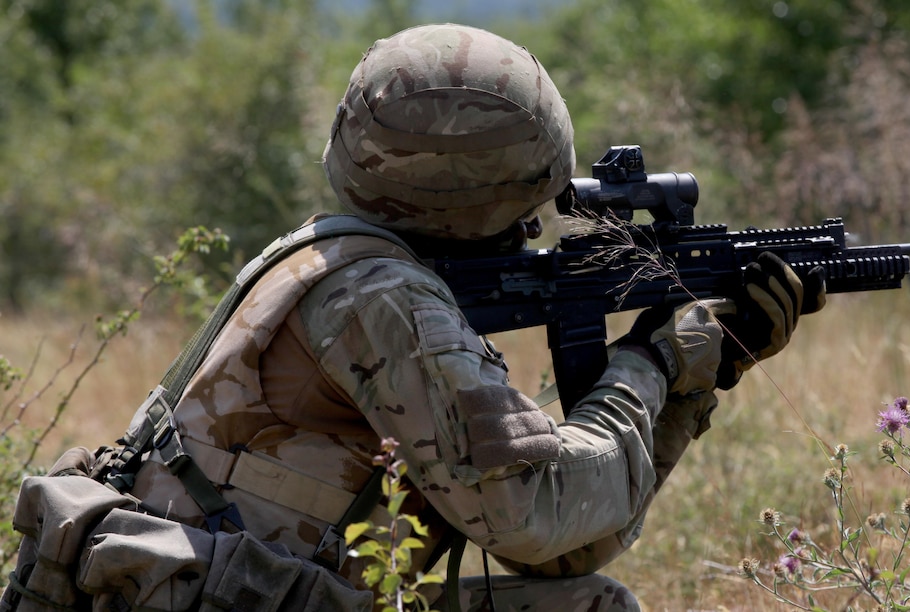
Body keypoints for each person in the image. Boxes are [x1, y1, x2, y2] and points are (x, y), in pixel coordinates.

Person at [6, 23, 825, 611]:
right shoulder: (384, 303)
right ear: (487, 190)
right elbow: (534, 515)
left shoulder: (329, 255)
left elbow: (566, 545)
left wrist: (701, 377)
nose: (538, 222)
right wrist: (647, 368)